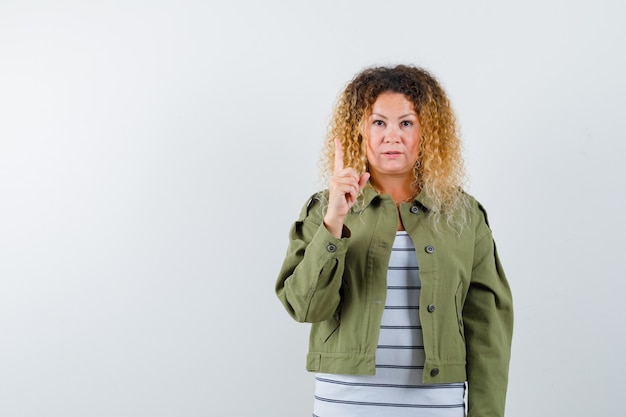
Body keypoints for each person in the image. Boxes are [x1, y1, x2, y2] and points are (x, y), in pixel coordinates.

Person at [275, 65, 513, 417]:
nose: (392, 136)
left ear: (427, 132)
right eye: (378, 123)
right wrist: (335, 221)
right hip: (345, 406)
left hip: (437, 406)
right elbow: (305, 308)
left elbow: (488, 327)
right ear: (359, 131)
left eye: (406, 123)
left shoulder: (464, 215)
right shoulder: (324, 209)